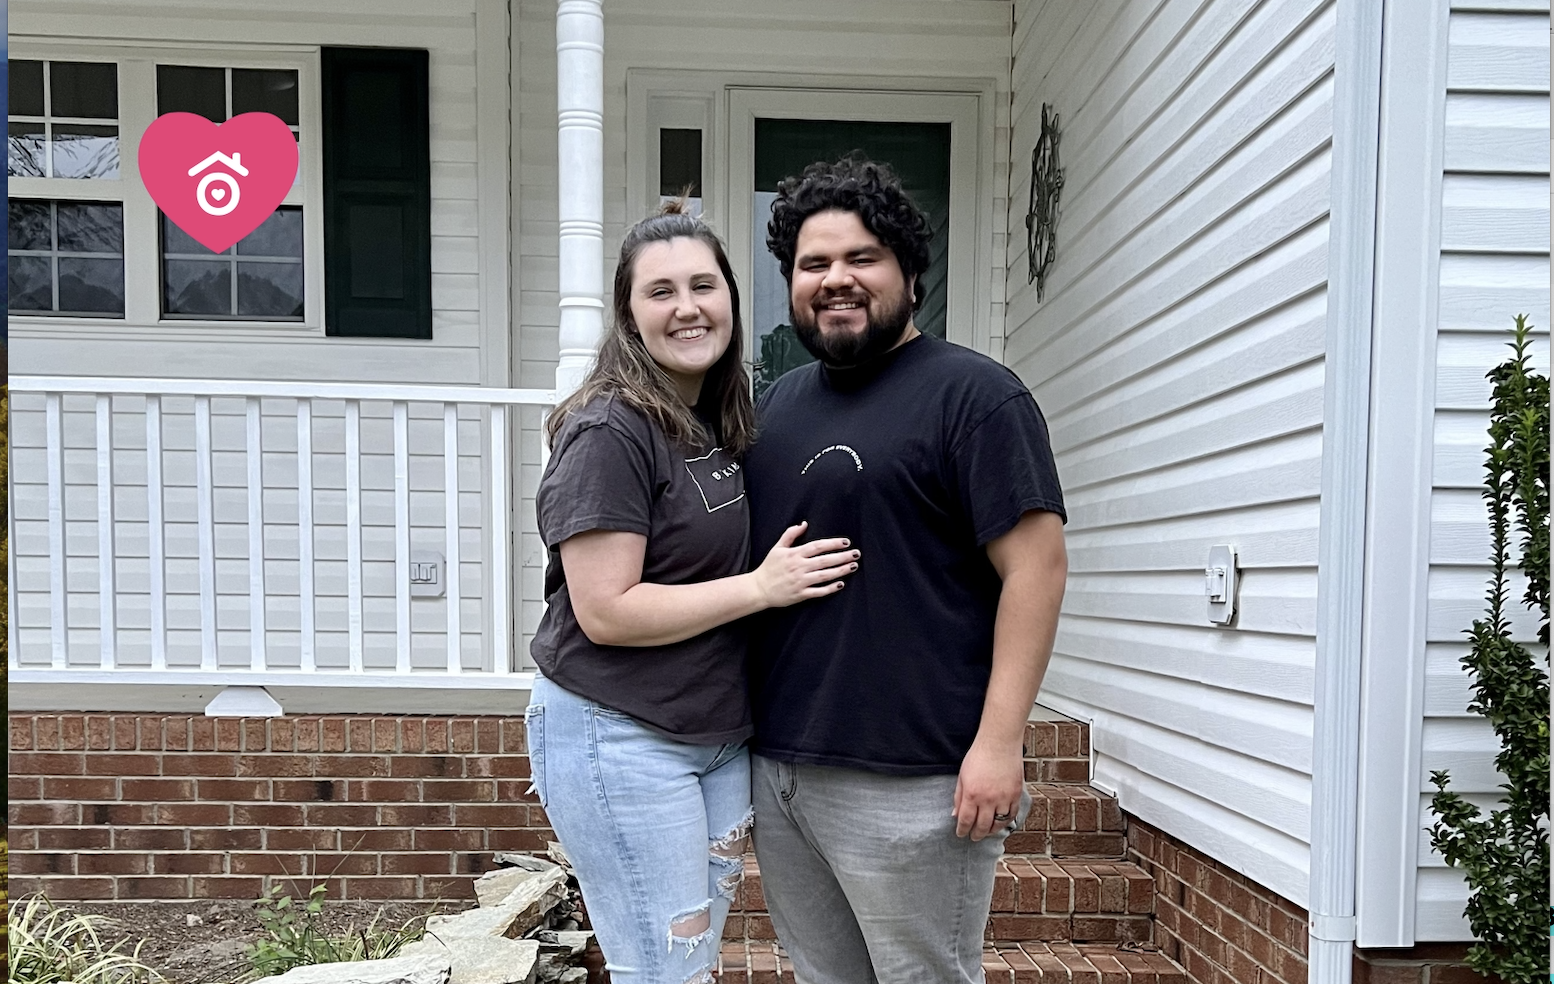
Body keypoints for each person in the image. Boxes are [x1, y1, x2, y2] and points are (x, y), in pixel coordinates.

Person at [744, 157, 1069, 983]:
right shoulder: (775, 406)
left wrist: (1000, 743)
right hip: (784, 768)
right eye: (813, 265)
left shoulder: (976, 396)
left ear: (911, 275)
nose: (836, 280)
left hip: (916, 779)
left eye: (862, 259)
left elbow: (1037, 570)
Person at [525, 202, 859, 983]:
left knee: (690, 963)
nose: (687, 307)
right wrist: (762, 588)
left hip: (708, 734)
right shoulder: (612, 429)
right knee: (663, 969)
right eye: (660, 291)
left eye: (703, 285)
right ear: (628, 314)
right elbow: (606, 610)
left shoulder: (708, 420)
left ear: (733, 302)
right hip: (621, 733)